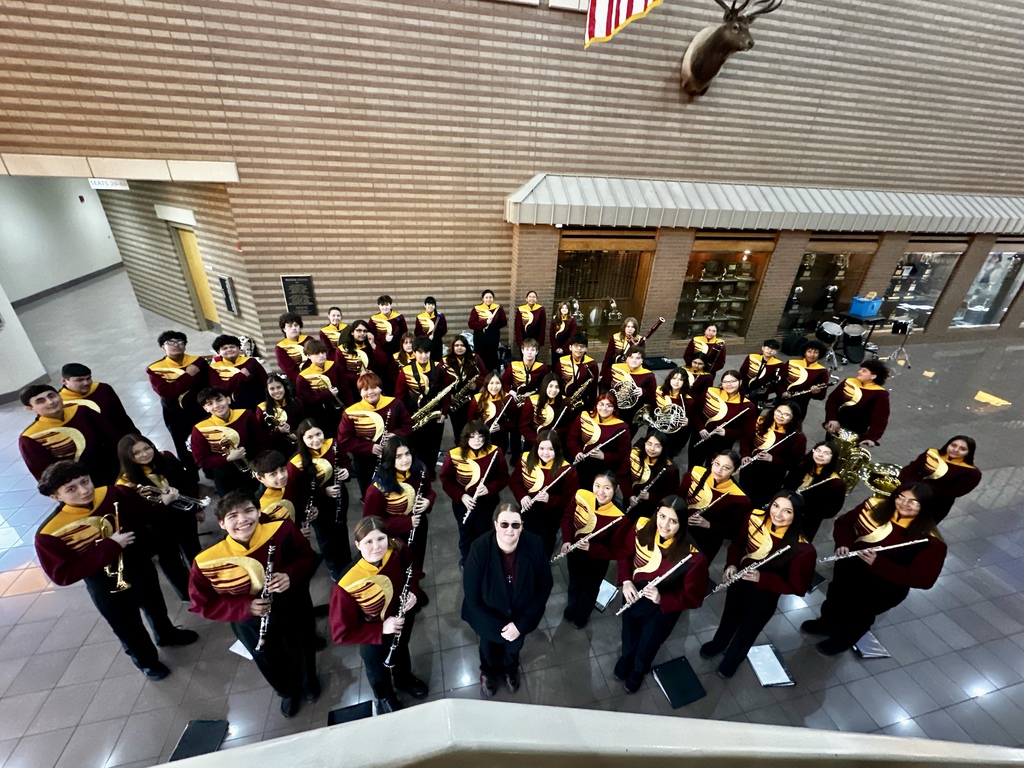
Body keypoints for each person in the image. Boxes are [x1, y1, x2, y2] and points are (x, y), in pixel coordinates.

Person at [36, 461, 198, 681]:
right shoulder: (50, 533)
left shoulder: (114, 493)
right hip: (106, 583)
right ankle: (147, 662)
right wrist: (110, 546)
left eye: (85, 481)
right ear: (55, 496)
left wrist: (163, 502)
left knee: (156, 605)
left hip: (139, 565)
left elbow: (145, 513)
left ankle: (167, 634)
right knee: (127, 626)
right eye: (71, 489)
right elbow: (62, 575)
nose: (84, 491)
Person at [189, 489, 319, 717]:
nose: (242, 520)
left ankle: (309, 681)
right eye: (232, 516)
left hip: (292, 603)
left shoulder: (282, 530)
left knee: (303, 643)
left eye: (248, 511)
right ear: (221, 523)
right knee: (267, 657)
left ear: (259, 512)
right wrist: (245, 607)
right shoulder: (206, 561)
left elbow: (308, 558)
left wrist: (290, 574)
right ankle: (287, 691)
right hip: (249, 619)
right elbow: (201, 604)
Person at [802, 483, 946, 656]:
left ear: (925, 507)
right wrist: (843, 544)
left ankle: (842, 640)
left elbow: (924, 580)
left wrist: (878, 563)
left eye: (913, 502)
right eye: (901, 497)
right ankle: (826, 624)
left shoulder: (931, 542)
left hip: (881, 588)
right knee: (835, 598)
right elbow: (845, 523)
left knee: (859, 615)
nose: (904, 504)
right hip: (849, 570)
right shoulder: (873, 506)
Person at [700, 491, 815, 678]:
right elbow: (737, 544)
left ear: (797, 516)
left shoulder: (803, 548)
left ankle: (732, 660)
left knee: (749, 629)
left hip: (765, 594)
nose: (778, 514)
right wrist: (731, 564)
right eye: (776, 506)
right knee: (729, 616)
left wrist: (762, 578)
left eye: (787, 511)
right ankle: (718, 644)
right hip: (740, 581)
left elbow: (798, 587)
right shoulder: (755, 517)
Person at [330, 516, 429, 714]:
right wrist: (381, 629)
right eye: (368, 541)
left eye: (381, 538)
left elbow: (414, 572)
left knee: (402, 648)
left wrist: (413, 592)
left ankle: (403, 678)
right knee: (376, 667)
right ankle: (385, 695)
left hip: (401, 616)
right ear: (358, 545)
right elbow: (341, 634)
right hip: (372, 634)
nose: (376, 546)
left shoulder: (398, 549)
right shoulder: (346, 584)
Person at [614, 496, 709, 693]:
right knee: (629, 632)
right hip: (633, 593)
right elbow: (624, 554)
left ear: (681, 524)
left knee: (649, 643)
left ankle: (638, 671)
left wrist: (662, 598)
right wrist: (626, 581)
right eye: (662, 516)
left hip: (661, 608)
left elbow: (694, 598)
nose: (665, 525)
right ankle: (626, 658)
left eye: (673, 521)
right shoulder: (641, 526)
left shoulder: (694, 557)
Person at [462, 503, 553, 698]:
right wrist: (500, 627)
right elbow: (472, 597)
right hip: (487, 617)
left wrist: (519, 625)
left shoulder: (535, 544)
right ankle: (488, 672)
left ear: (522, 526)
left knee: (514, 647)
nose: (509, 530)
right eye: (504, 524)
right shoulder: (479, 549)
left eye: (515, 525)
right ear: (495, 525)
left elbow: (545, 586)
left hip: (520, 616)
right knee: (487, 646)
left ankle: (510, 669)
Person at [116, 434, 203, 601]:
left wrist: (197, 508)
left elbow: (185, 483)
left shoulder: (166, 458)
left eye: (147, 448)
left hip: (183, 517)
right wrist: (163, 502)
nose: (144, 454)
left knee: (194, 551)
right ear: (127, 457)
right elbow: (138, 515)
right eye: (136, 453)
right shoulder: (125, 483)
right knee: (171, 562)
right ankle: (187, 594)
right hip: (158, 528)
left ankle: (204, 583)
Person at [560, 471, 629, 629]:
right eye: (597, 486)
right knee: (574, 583)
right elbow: (567, 518)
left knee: (589, 590)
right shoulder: (581, 496)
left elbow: (616, 551)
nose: (601, 492)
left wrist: (592, 547)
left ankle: (582, 616)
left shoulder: (620, 518)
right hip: (575, 553)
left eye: (607, 488)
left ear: (616, 489)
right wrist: (567, 540)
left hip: (597, 561)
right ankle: (572, 607)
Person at [19, 384, 121, 484]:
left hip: (114, 469)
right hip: (79, 484)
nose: (50, 402)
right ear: (30, 408)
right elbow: (46, 475)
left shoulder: (82, 411)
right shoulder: (31, 437)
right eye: (40, 401)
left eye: (52, 396)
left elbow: (114, 437)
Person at [440, 420, 509, 565]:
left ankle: (484, 558)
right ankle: (467, 560)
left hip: (486, 501)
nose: (477, 440)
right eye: (472, 436)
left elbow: (504, 478)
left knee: (483, 531)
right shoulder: (454, 454)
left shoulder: (495, 452)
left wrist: (489, 488)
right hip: (463, 503)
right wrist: (461, 496)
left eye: (480, 436)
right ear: (466, 437)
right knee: (465, 532)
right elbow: (446, 481)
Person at [337, 372, 413, 499]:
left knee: (394, 489)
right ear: (360, 393)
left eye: (374, 388)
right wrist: (369, 448)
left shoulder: (395, 404)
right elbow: (344, 440)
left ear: (380, 388)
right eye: (365, 389)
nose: (370, 392)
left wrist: (396, 435)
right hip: (365, 461)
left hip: (392, 456)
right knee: (369, 491)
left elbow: (408, 425)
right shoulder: (351, 413)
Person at [292, 418, 352, 579]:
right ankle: (333, 566)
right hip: (317, 505)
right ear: (302, 439)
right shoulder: (296, 462)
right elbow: (299, 490)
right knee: (325, 536)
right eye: (310, 437)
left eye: (318, 434)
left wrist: (346, 471)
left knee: (341, 528)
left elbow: (346, 462)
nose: (316, 440)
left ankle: (347, 561)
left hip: (339, 496)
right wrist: (324, 492)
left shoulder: (334, 445)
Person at [364, 437, 435, 568]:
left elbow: (429, 492)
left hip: (419, 524)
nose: (405, 460)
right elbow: (371, 523)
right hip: (394, 536)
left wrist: (428, 501)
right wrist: (407, 522)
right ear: (389, 459)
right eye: (398, 456)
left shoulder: (419, 470)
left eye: (407, 454)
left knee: (417, 561)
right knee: (399, 566)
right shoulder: (377, 489)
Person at [146, 330, 209, 477]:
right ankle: (192, 476)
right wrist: (188, 376)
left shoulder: (198, 362)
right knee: (183, 445)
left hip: (200, 412)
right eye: (171, 343)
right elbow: (167, 393)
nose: (176, 345)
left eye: (180, 342)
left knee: (206, 440)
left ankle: (209, 470)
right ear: (163, 347)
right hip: (176, 415)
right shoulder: (156, 369)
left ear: (185, 345)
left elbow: (207, 386)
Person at [509, 430, 578, 557]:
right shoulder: (525, 458)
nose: (545, 453)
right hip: (528, 508)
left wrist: (550, 499)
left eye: (550, 449)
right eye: (541, 448)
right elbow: (514, 482)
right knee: (525, 539)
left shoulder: (567, 469)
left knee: (544, 544)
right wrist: (522, 496)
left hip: (551, 514)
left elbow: (571, 498)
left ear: (557, 449)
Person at [190, 388, 267, 495]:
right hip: (225, 478)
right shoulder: (200, 429)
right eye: (210, 403)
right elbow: (201, 461)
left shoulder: (246, 414)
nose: (216, 405)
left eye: (219, 400)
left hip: (253, 469)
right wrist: (227, 458)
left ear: (228, 400)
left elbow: (261, 441)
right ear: (205, 408)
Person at [680, 449, 752, 563]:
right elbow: (678, 496)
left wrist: (708, 524)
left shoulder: (741, 498)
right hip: (680, 527)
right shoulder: (696, 472)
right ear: (712, 461)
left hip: (707, 540)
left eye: (726, 468)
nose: (719, 470)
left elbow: (733, 531)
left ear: (735, 471)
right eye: (717, 464)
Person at [396, 337, 452, 478]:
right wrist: (405, 418)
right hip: (414, 415)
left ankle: (430, 472)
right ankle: (416, 472)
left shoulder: (439, 368)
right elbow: (399, 397)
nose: (423, 355)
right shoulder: (405, 371)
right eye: (420, 352)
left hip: (435, 414)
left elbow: (446, 392)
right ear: (414, 352)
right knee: (416, 446)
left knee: (433, 445)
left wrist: (444, 412)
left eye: (426, 352)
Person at [738, 402, 806, 508]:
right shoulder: (761, 421)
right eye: (778, 411)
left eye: (786, 414)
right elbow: (745, 438)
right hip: (749, 467)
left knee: (756, 504)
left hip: (770, 477)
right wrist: (745, 455)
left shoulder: (797, 437)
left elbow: (795, 463)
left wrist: (773, 459)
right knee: (741, 495)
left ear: (793, 418)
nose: (780, 416)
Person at [898, 436, 982, 522]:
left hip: (934, 505)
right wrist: (909, 487)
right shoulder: (931, 454)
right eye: (953, 445)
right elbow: (910, 470)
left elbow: (953, 492)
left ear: (968, 453)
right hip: (906, 494)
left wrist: (921, 492)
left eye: (962, 449)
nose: (956, 450)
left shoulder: (972, 473)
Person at [688, 369, 756, 469]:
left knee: (713, 470)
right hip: (700, 437)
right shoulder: (710, 392)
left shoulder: (747, 406)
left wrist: (727, 432)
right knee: (693, 468)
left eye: (733, 381)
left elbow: (746, 432)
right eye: (725, 381)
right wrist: (700, 428)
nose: (729, 384)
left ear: (740, 382)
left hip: (722, 444)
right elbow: (694, 412)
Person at [567, 392, 631, 496]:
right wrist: (577, 452)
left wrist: (604, 456)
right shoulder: (584, 416)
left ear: (614, 408)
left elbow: (623, 454)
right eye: (601, 404)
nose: (604, 408)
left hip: (602, 470)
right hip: (581, 464)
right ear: (596, 405)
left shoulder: (622, 427)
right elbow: (572, 438)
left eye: (609, 405)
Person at [784, 441, 845, 541]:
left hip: (806, 522)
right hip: (785, 510)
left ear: (833, 457)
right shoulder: (802, 466)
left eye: (826, 453)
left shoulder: (835, 483)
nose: (820, 455)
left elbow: (831, 511)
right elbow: (787, 484)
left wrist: (806, 509)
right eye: (818, 451)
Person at [59, 362, 138, 438]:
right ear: (64, 381)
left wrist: (135, 436)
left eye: (88, 378)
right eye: (79, 380)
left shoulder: (103, 389)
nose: (86, 383)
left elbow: (121, 416)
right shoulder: (61, 402)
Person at [823, 358, 890, 447]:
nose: (859, 372)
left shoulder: (880, 394)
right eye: (860, 369)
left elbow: (880, 419)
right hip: (835, 426)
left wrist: (871, 437)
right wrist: (831, 418)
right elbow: (832, 401)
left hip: (856, 432)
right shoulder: (849, 382)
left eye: (864, 371)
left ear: (873, 376)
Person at [500, 337, 548, 458]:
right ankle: (515, 456)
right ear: (522, 350)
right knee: (515, 429)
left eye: (532, 350)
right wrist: (511, 391)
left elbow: (545, 385)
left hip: (533, 404)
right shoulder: (513, 366)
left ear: (537, 352)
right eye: (527, 349)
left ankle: (528, 455)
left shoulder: (543, 368)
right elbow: (503, 383)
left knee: (530, 428)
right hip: (517, 403)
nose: (529, 352)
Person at [601, 344, 657, 434]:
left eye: (638, 358)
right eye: (631, 357)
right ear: (626, 359)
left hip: (632, 413)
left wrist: (643, 392)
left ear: (642, 361)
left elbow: (652, 396)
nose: (634, 360)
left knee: (627, 435)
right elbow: (604, 385)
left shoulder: (649, 375)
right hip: (612, 408)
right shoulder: (615, 368)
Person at [626, 431, 680, 522]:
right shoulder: (635, 455)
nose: (652, 449)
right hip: (630, 499)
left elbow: (672, 494)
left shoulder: (671, 469)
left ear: (663, 448)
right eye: (649, 444)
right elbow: (623, 475)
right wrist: (629, 495)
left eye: (657, 446)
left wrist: (650, 497)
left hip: (650, 509)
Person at [295, 338, 347, 434]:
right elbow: (305, 400)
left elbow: (346, 389)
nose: (321, 355)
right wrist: (327, 394)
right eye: (317, 353)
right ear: (308, 355)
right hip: (319, 416)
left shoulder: (334, 366)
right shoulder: (303, 377)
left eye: (323, 352)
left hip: (339, 411)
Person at [444, 335, 487, 444]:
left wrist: (477, 384)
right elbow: (440, 381)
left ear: (467, 347)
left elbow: (485, 375)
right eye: (457, 345)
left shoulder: (475, 358)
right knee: (457, 429)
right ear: (452, 347)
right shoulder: (445, 361)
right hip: (454, 400)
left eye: (462, 345)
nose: (459, 348)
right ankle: (459, 446)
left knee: (473, 426)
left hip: (471, 398)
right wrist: (449, 396)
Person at [253, 449, 312, 528]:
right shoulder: (259, 504)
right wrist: (295, 532)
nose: (281, 476)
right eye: (273, 474)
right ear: (260, 478)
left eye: (283, 469)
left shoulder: (285, 483)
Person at [208, 334, 268, 410]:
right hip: (233, 408)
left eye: (232, 347)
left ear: (239, 348)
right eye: (224, 348)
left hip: (259, 404)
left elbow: (265, 382)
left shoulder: (251, 362)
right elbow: (219, 390)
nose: (229, 350)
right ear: (218, 352)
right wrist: (240, 376)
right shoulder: (214, 368)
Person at [336, 319, 389, 401]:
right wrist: (359, 376)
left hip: (373, 384)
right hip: (353, 386)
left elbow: (384, 362)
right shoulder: (342, 349)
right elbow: (341, 372)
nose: (362, 333)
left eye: (365, 331)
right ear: (352, 332)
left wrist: (373, 344)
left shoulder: (372, 345)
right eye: (359, 330)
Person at [519, 373, 571, 450]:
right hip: (534, 443)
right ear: (545, 386)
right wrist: (537, 441)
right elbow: (523, 426)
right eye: (550, 386)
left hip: (555, 443)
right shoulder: (532, 400)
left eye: (557, 387)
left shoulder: (565, 401)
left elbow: (567, 424)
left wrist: (557, 432)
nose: (554, 390)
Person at [467, 372, 515, 455]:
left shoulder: (508, 398)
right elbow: (470, 421)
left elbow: (514, 422)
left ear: (502, 384)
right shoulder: (477, 398)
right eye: (491, 383)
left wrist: (501, 427)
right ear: (486, 384)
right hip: (481, 438)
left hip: (501, 439)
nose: (494, 387)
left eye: (497, 383)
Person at [258, 374, 304, 456]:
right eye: (272, 389)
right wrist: (278, 431)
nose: (276, 391)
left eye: (279, 387)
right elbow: (261, 435)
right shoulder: (262, 409)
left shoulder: (296, 402)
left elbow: (303, 423)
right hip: (277, 451)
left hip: (299, 444)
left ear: (284, 387)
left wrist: (296, 433)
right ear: (267, 390)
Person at [779, 340, 831, 414]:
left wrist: (816, 392)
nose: (812, 355)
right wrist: (782, 392)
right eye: (809, 351)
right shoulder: (791, 363)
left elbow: (821, 396)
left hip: (800, 405)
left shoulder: (822, 371)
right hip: (781, 400)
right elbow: (778, 381)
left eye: (816, 352)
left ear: (819, 354)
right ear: (804, 352)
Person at [655, 366, 693, 456]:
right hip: (656, 429)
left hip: (672, 436)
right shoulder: (659, 391)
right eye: (674, 378)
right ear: (669, 379)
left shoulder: (688, 401)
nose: (676, 382)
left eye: (680, 380)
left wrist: (687, 423)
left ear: (684, 382)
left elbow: (691, 421)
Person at [557, 332, 599, 413]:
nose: (579, 349)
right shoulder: (561, 361)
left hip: (582, 403)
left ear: (586, 349)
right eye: (576, 346)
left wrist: (591, 408)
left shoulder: (592, 364)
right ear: (570, 347)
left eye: (582, 346)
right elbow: (557, 382)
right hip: (563, 401)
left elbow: (593, 389)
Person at [468, 289, 508, 372]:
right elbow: (471, 324)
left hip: (493, 338)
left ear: (493, 298)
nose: (488, 299)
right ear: (482, 298)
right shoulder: (476, 309)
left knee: (492, 356)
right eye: (486, 297)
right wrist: (485, 322)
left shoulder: (498, 308)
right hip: (480, 338)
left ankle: (490, 374)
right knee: (480, 356)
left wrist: (494, 328)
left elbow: (503, 322)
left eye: (490, 297)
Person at [738, 339, 785, 406]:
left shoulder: (779, 364)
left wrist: (767, 391)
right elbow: (742, 372)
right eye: (768, 348)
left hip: (761, 394)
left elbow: (776, 382)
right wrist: (741, 386)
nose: (769, 351)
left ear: (776, 352)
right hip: (745, 389)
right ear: (763, 348)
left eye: (773, 349)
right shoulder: (752, 357)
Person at [274, 312, 310, 382]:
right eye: (289, 326)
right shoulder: (280, 348)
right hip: (296, 380)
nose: (294, 328)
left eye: (296, 325)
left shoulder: (308, 340)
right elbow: (288, 369)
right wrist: (303, 381)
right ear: (284, 329)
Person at [414, 296, 447, 364]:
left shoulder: (440, 316)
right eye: (429, 304)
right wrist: (426, 337)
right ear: (425, 305)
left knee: (437, 362)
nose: (431, 306)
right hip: (424, 344)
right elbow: (417, 332)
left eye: (432, 304)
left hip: (437, 344)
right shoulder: (420, 317)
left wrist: (436, 336)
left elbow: (444, 330)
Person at [549, 300, 578, 368]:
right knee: (555, 365)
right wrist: (555, 347)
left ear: (569, 310)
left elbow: (572, 336)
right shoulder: (555, 319)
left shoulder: (572, 320)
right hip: (556, 348)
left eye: (566, 308)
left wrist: (563, 348)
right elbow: (551, 334)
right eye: (562, 308)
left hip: (566, 347)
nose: (564, 310)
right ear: (559, 309)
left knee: (564, 366)